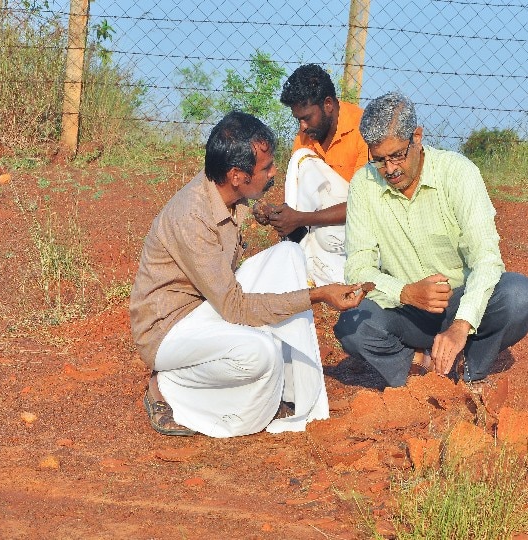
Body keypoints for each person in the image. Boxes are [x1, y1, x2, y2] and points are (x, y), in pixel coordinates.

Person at [130, 111, 367, 438]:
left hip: (205, 308)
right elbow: (235, 307)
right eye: (266, 168)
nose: (273, 173)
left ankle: (291, 391)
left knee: (288, 254)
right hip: (168, 330)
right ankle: (169, 385)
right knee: (260, 353)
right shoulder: (191, 217)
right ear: (237, 176)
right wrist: (319, 295)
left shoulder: (223, 191)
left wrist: (260, 212)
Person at [334, 92, 528, 389]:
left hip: (459, 303)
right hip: (406, 314)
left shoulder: (458, 173)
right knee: (352, 326)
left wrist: (461, 324)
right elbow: (357, 268)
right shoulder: (363, 186)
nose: (389, 169)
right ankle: (420, 363)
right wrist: (405, 292)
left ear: (417, 137)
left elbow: (486, 258)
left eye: (397, 155)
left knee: (518, 296)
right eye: (379, 159)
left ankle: (469, 366)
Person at [253, 64, 368, 286]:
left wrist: (299, 219)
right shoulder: (307, 134)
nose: (303, 127)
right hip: (329, 231)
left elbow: (363, 207)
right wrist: (276, 213)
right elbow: (302, 199)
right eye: (298, 120)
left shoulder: (361, 127)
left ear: (328, 104)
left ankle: (296, 254)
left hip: (361, 229)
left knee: (301, 158)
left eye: (306, 118)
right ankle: (305, 265)